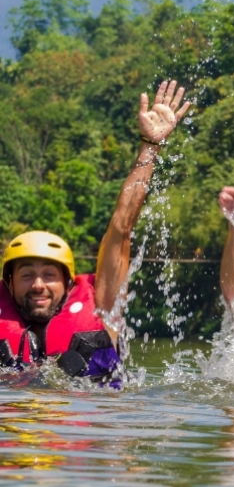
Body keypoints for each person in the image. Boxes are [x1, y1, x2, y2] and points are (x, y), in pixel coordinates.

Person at [0, 81, 191, 385]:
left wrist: (150, 147)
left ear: (67, 281)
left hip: (96, 427)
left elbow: (121, 228)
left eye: (49, 274)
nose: (38, 285)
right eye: (26, 275)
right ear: (8, 284)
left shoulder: (103, 305)